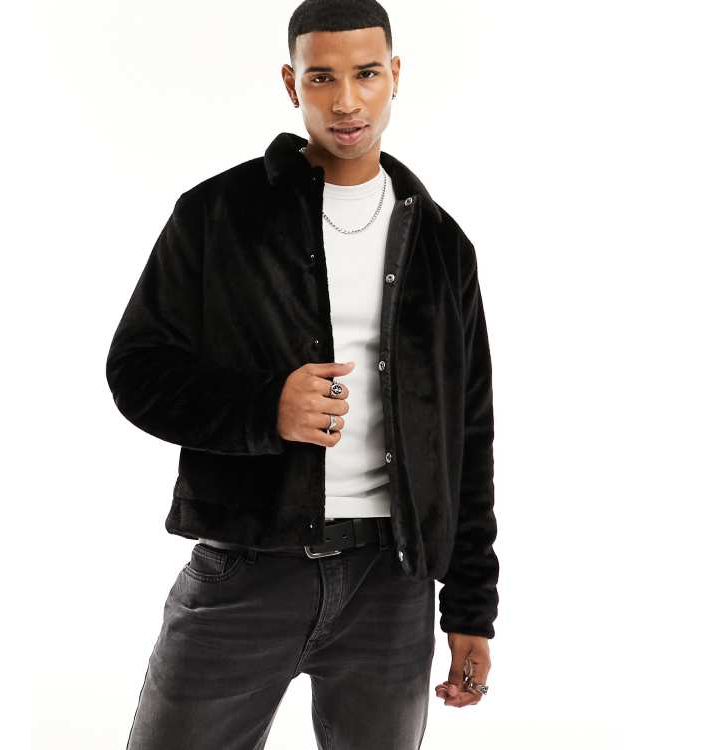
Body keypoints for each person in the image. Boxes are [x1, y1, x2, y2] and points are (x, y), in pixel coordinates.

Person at [106, 1, 499, 747]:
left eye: (366, 74)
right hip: (247, 572)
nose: (346, 100)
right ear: (292, 84)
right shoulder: (219, 214)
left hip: (394, 584)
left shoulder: (442, 245)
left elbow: (469, 433)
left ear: (395, 76)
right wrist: (265, 408)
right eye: (322, 77)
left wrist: (472, 605)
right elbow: (136, 369)